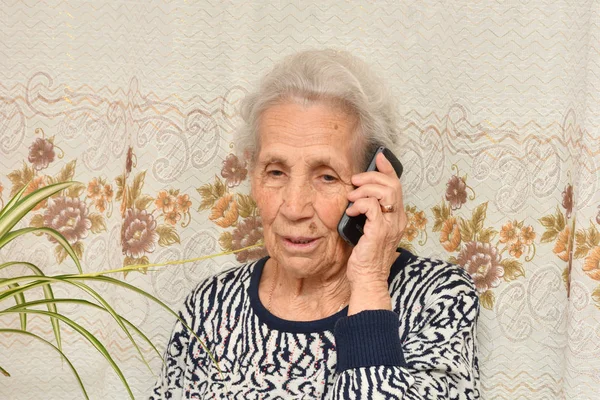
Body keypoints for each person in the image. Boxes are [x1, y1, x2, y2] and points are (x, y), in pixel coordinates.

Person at [151, 49, 479, 399]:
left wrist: (369, 281)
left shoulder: (438, 298)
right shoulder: (212, 305)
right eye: (275, 172)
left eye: (326, 176)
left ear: (372, 183)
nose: (294, 208)